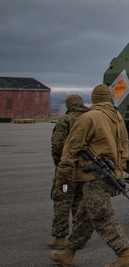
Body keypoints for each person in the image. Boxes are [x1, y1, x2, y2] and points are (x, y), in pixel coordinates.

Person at [49, 84, 129, 267]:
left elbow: (70, 150)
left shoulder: (89, 117)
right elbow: (124, 145)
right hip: (109, 173)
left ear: (94, 98)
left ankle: (124, 254)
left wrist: (61, 178)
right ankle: (69, 252)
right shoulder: (117, 117)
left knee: (99, 213)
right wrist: (119, 170)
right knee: (84, 215)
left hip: (94, 175)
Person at [49, 94, 89, 249]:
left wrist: (60, 165)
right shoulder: (90, 119)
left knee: (63, 199)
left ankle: (60, 238)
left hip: (68, 169)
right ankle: (79, 237)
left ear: (69, 106)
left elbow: (57, 146)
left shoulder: (65, 120)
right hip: (85, 169)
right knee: (79, 201)